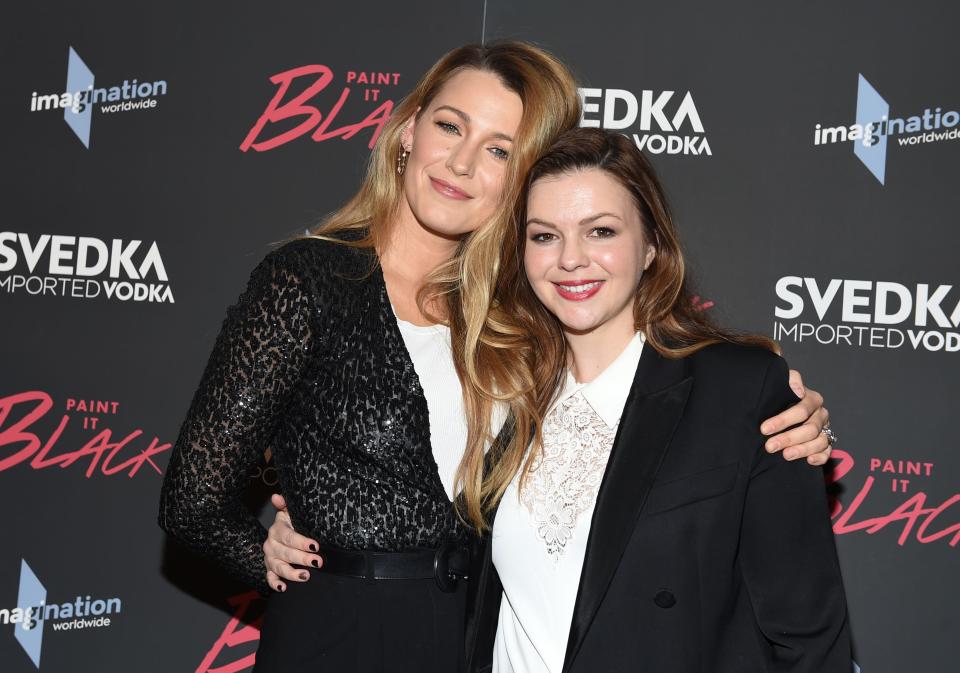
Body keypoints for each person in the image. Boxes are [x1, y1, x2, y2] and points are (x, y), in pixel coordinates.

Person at [159, 40, 832, 673]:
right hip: (341, 634)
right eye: (451, 127)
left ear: (520, 181)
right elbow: (192, 497)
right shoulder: (308, 280)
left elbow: (662, 395)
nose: (460, 163)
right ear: (409, 130)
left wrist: (785, 415)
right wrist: (268, 555)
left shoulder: (518, 320)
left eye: (498, 150)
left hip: (466, 637)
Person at [461, 128, 851, 673]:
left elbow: (810, 634)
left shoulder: (739, 392)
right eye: (544, 236)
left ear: (650, 246)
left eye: (600, 231)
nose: (571, 259)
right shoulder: (501, 388)